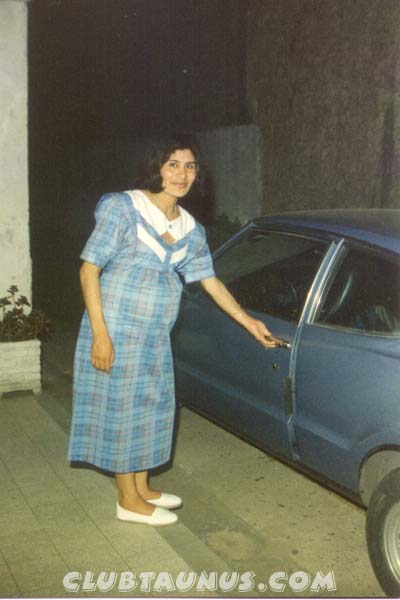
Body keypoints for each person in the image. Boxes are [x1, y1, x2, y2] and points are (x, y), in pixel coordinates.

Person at [68, 134, 276, 526]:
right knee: (125, 411)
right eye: (173, 165)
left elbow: (209, 280)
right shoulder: (124, 208)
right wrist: (100, 334)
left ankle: (142, 487)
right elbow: (89, 269)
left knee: (151, 408)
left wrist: (249, 322)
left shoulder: (190, 229)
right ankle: (128, 501)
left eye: (190, 166)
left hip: (154, 336)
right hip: (116, 329)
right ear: (157, 168)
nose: (182, 174)